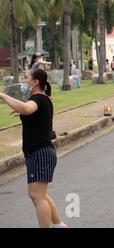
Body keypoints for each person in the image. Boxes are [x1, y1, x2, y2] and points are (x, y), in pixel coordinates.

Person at [0, 69, 67, 228]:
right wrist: (20, 112)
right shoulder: (41, 99)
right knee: (40, 195)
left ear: (35, 82)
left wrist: (3, 96)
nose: (24, 81)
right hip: (40, 152)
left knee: (37, 196)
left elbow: (27, 108)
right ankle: (59, 225)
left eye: (26, 78)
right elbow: (30, 112)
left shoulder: (38, 98)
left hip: (40, 153)